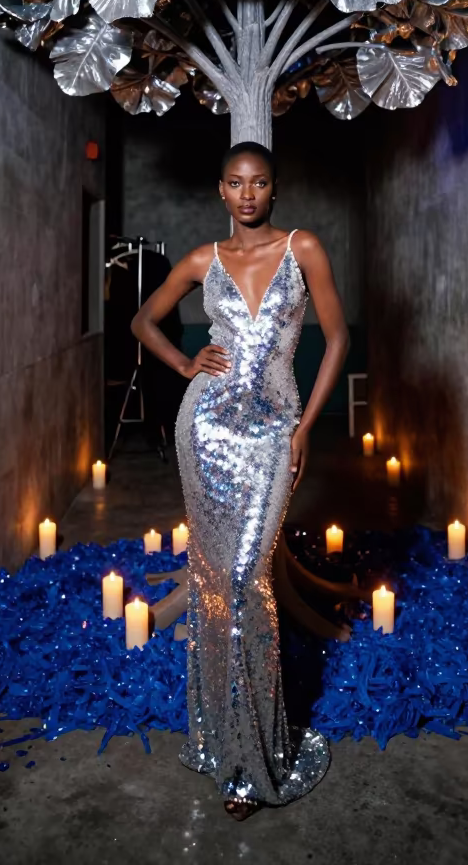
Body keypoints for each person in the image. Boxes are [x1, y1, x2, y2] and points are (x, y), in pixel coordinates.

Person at [131, 141, 349, 819]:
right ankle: (225, 743)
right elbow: (143, 320)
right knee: (215, 579)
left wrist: (305, 427)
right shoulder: (204, 260)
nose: (247, 193)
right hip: (207, 429)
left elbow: (337, 339)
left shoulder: (302, 248)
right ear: (221, 191)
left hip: (274, 431)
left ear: (273, 190)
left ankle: (258, 753)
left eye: (258, 182)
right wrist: (183, 365)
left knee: (249, 579)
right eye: (235, 182)